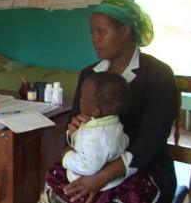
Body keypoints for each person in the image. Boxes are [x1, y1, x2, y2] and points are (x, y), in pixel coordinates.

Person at [63, 0, 178, 203]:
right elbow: (73, 119)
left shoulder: (158, 74)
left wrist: (101, 178)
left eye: (101, 32)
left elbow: (152, 140)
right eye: (92, 33)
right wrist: (73, 131)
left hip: (145, 168)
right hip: (93, 164)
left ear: (124, 31)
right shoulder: (90, 74)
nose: (95, 39)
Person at [40, 72, 158, 203]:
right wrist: (73, 134)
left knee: (56, 179)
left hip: (92, 183)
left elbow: (88, 166)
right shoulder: (115, 124)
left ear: (96, 110)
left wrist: (66, 156)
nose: (79, 100)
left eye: (82, 98)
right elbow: (125, 141)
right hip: (115, 175)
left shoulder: (95, 134)